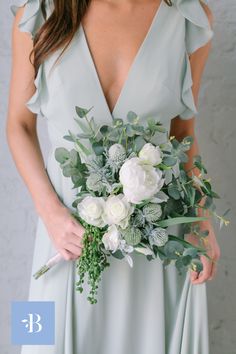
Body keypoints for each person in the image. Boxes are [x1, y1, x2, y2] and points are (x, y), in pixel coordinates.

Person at [6, 0, 221, 353]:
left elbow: (182, 134)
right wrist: (50, 213)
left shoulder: (189, 20)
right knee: (37, 340)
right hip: (65, 239)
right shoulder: (39, 15)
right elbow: (17, 126)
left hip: (157, 245)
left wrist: (202, 218)